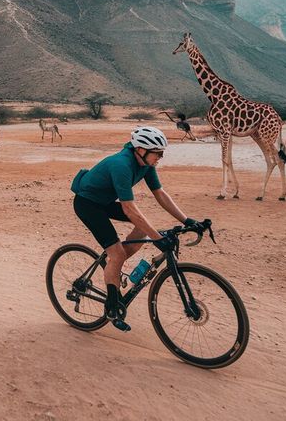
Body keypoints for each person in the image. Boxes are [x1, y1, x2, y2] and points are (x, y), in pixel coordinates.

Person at [70, 126, 203, 332]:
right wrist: (158, 238)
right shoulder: (121, 165)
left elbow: (160, 194)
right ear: (141, 150)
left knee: (141, 230)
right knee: (117, 253)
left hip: (104, 201)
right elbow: (129, 209)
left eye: (161, 153)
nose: (160, 157)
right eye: (157, 153)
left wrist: (187, 220)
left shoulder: (146, 164)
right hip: (87, 204)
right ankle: (112, 306)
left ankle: (114, 266)